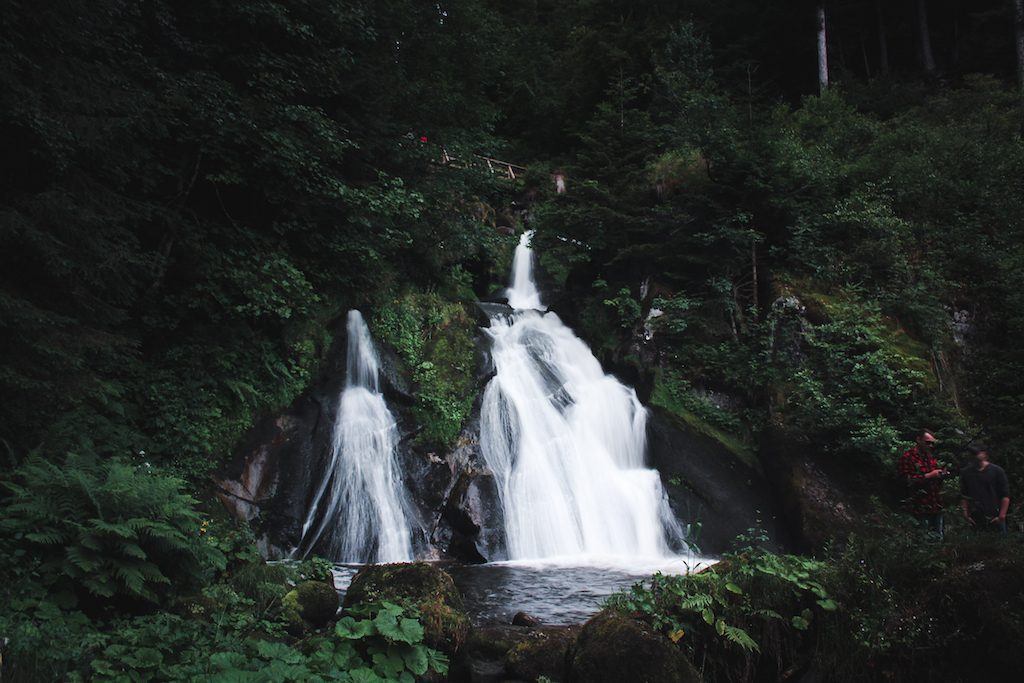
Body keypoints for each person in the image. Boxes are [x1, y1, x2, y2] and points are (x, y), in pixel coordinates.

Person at [897, 430, 948, 537]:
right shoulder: (908, 457)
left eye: (932, 443)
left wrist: (941, 475)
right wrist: (930, 475)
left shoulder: (930, 457)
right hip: (919, 507)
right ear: (918, 440)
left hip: (936, 504)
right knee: (923, 539)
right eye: (927, 442)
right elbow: (906, 481)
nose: (930, 445)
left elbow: (935, 479)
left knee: (939, 538)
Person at [960, 444, 1010, 533]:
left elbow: (1005, 495)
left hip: (994, 515)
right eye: (972, 454)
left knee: (999, 544)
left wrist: (1002, 516)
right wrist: (966, 515)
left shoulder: (997, 471)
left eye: (977, 453)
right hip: (975, 517)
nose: (975, 456)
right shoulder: (966, 473)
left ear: (985, 454)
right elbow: (964, 495)